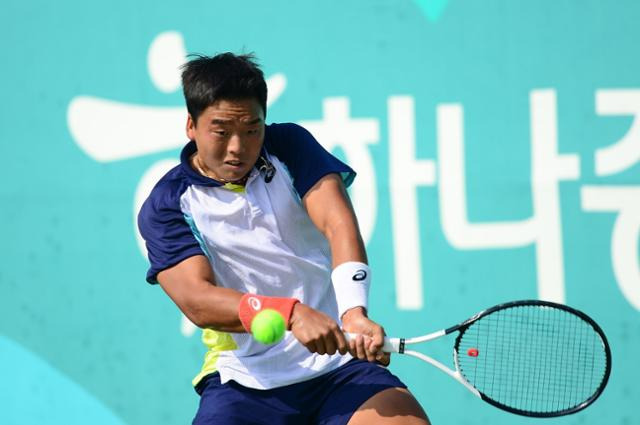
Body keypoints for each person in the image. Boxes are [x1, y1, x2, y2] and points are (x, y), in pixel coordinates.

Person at [138, 52, 430, 425]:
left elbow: (337, 223)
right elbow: (197, 301)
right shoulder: (168, 204)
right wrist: (288, 313)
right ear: (191, 126)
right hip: (244, 381)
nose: (237, 147)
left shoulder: (289, 146)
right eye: (221, 130)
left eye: (251, 129)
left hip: (340, 372)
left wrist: (353, 312)